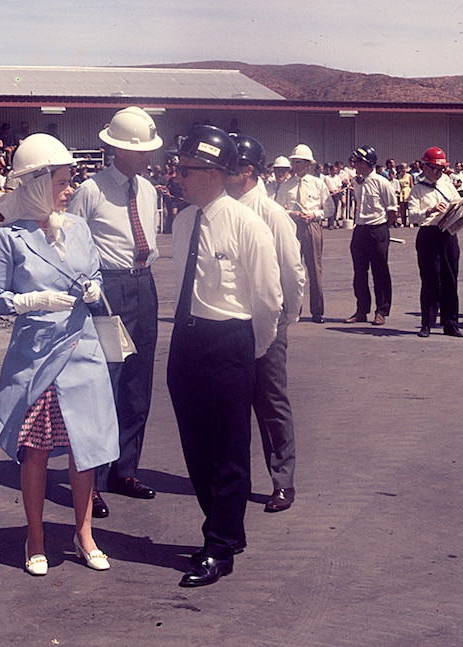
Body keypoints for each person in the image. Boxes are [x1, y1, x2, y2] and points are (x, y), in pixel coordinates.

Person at [0, 133, 119, 575]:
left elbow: (93, 275)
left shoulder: (78, 229)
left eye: (70, 179)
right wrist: (27, 302)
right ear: (37, 183)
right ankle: (35, 538)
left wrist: (95, 289)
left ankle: (84, 535)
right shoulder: (8, 238)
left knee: (86, 447)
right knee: (35, 450)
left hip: (82, 352)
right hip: (37, 358)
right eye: (62, 181)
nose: (70, 188)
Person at [167, 125, 282, 587]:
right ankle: (225, 529)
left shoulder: (246, 223)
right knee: (196, 446)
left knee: (230, 449)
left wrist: (252, 349)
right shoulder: (181, 222)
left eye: (187, 169)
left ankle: (219, 546)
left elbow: (268, 297)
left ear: (215, 174)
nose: (178, 176)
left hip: (230, 341)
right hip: (187, 340)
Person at [67, 106, 163, 519]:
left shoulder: (149, 190)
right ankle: (92, 480)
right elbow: (70, 241)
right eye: (139, 151)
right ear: (117, 150)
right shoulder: (90, 190)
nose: (147, 157)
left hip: (143, 284)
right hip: (108, 289)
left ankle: (124, 471)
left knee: (138, 384)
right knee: (105, 384)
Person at [226, 134, 305, 515]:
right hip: (231, 319)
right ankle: (236, 478)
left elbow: (292, 269)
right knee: (232, 404)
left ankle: (282, 480)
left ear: (248, 171)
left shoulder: (271, 213)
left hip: (267, 318)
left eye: (231, 167)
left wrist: (287, 316)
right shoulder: (221, 209)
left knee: (271, 401)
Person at [407, 146, 463, 338]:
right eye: (434, 169)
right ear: (424, 167)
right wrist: (429, 211)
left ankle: (450, 323)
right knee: (430, 279)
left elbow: (457, 203)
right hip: (429, 234)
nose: (438, 173)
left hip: (448, 233)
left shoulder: (447, 185)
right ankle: (427, 323)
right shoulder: (418, 189)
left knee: (450, 279)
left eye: (441, 169)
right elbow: (413, 216)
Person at [274, 144, 334, 323]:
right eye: (294, 162)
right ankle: (293, 309)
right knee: (291, 269)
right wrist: (290, 214)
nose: (296, 166)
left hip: (311, 226)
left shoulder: (317, 184)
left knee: (314, 269)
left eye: (299, 162)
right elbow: (277, 208)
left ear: (308, 164)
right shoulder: (286, 186)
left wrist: (315, 214)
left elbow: (329, 208)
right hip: (291, 226)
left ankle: (317, 311)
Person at [344, 146, 399, 326]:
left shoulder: (382, 183)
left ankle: (381, 311)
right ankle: (361, 310)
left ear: (367, 163)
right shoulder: (356, 181)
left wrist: (382, 229)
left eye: (357, 161)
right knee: (359, 273)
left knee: (380, 272)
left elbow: (392, 210)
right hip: (360, 230)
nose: (354, 165)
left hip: (378, 229)